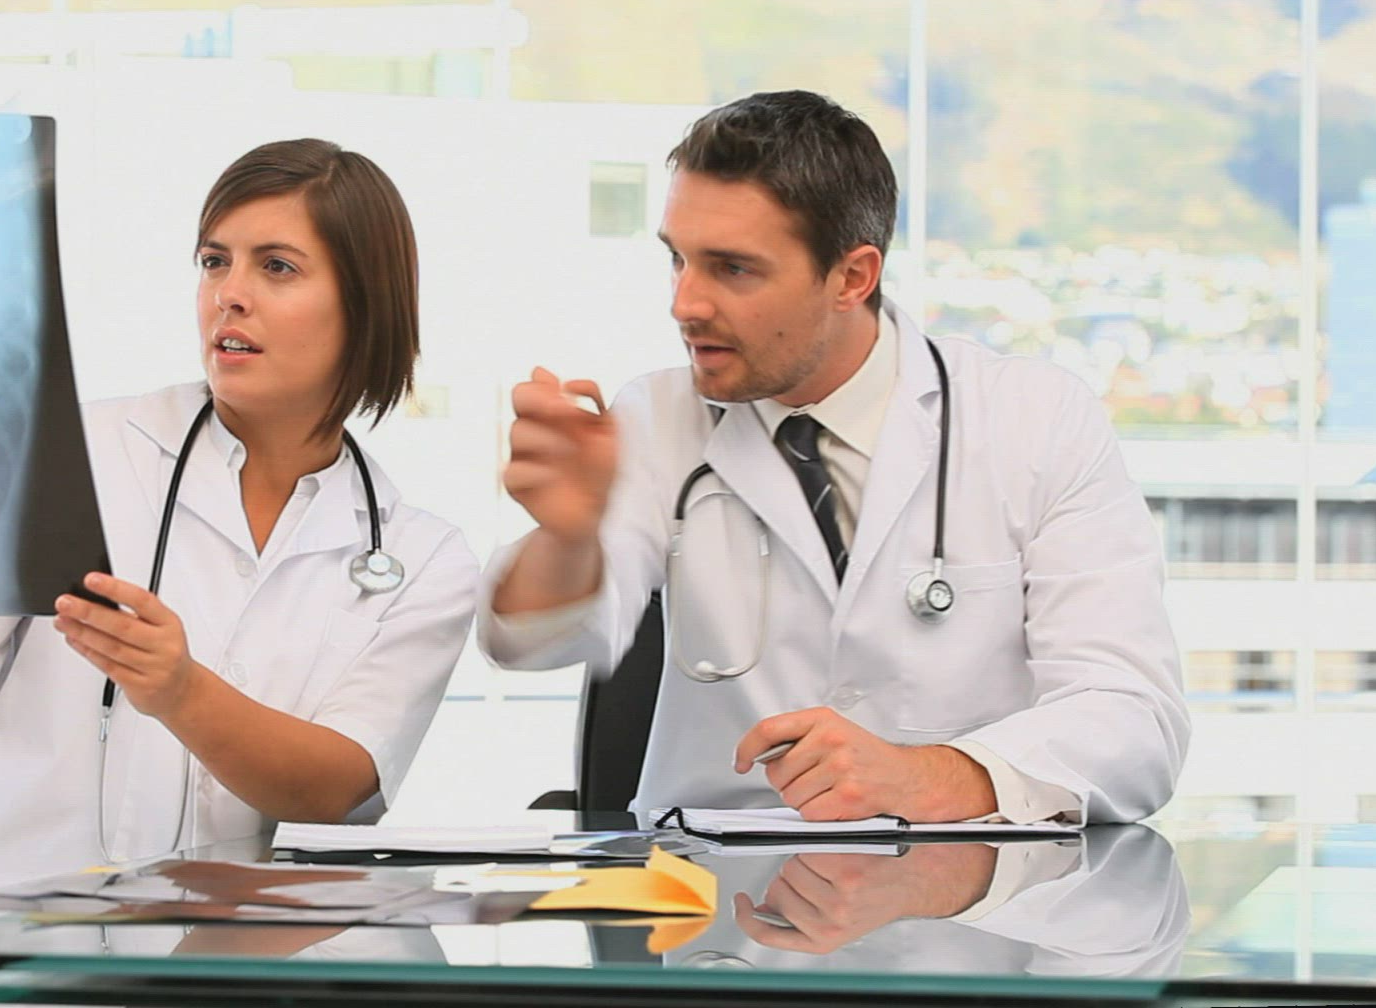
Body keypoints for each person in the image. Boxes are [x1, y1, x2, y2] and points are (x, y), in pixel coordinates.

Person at [0, 138, 478, 909]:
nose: (229, 294)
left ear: (366, 304)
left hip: (225, 951)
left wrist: (178, 689)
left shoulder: (422, 558)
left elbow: (335, 792)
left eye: (276, 266)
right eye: (214, 262)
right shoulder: (62, 451)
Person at [480, 91, 1188, 825]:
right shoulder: (657, 417)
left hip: (963, 884)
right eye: (678, 260)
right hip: (714, 883)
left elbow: (1135, 722)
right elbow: (528, 643)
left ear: (853, 278)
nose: (685, 304)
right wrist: (567, 539)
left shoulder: (1033, 420)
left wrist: (927, 778)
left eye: (732, 269)